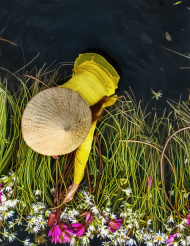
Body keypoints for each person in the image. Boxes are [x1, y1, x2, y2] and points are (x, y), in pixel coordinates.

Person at [20, 53, 120, 203]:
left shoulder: (88, 123)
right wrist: (56, 145)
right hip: (92, 59)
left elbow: (83, 154)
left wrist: (75, 185)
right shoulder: (58, 95)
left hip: (112, 76)